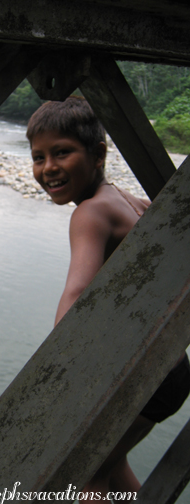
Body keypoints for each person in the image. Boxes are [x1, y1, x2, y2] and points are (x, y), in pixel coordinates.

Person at [26, 96, 190, 502]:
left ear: (98, 153)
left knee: (84, 473)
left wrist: (59, 365)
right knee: (111, 462)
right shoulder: (124, 198)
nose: (48, 168)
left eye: (62, 153)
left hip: (144, 373)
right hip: (170, 367)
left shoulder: (89, 213)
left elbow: (78, 291)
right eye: (38, 157)